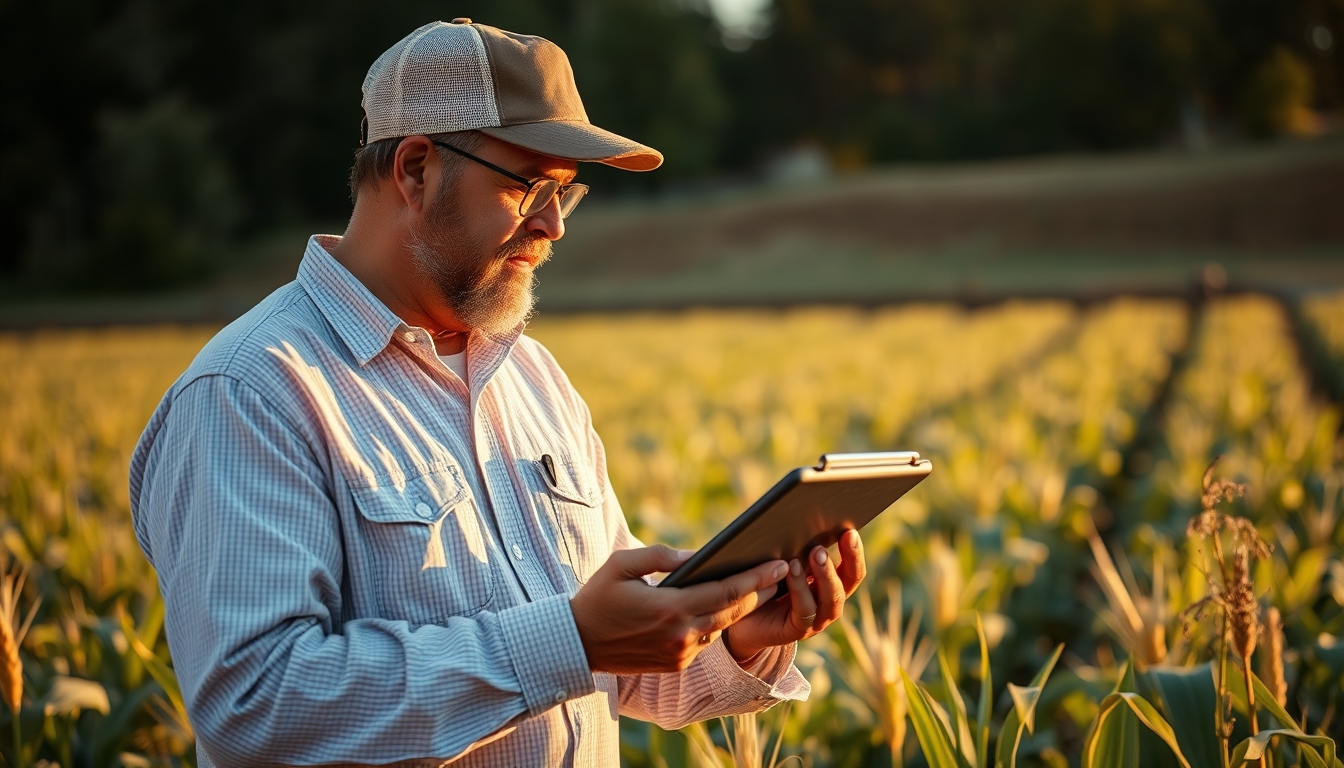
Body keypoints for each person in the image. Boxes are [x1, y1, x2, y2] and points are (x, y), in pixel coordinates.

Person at [129, 19, 867, 767]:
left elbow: (613, 675)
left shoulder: (534, 379)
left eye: (566, 193)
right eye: (528, 185)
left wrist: (737, 635)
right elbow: (256, 709)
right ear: (415, 170)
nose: (553, 225)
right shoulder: (253, 392)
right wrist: (569, 640)